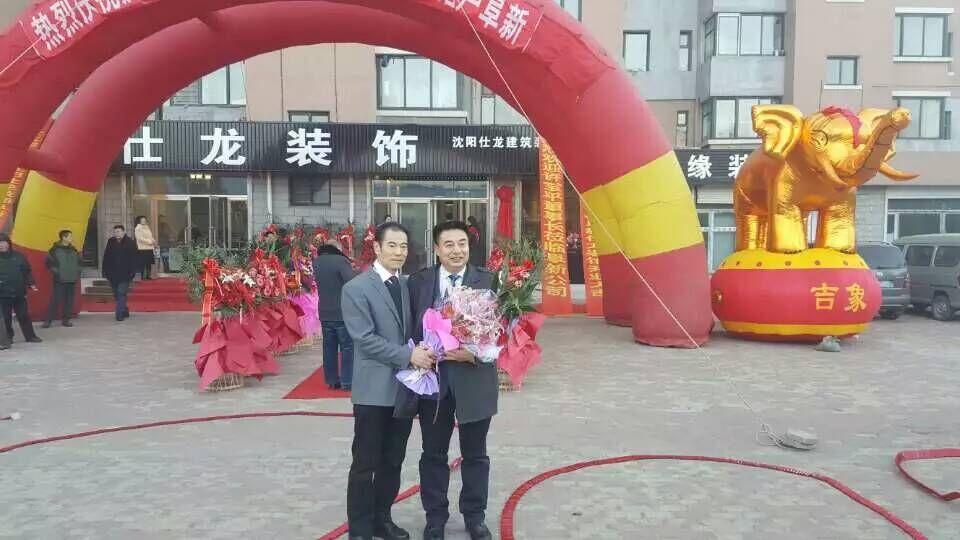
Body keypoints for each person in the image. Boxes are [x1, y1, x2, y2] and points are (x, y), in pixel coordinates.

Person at [341, 222, 436, 540]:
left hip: (403, 390)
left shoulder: (407, 285)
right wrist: (409, 356)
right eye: (392, 245)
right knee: (365, 463)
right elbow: (364, 339)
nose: (399, 252)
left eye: (404, 246)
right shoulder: (356, 288)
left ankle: (382, 518)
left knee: (393, 460)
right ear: (377, 248)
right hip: (373, 391)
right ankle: (359, 529)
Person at [403, 221, 497, 540]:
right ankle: (435, 518)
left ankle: (474, 516)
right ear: (437, 249)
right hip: (433, 383)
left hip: (474, 381)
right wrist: (416, 352)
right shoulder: (419, 282)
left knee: (476, 454)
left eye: (462, 244)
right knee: (433, 454)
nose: (457, 250)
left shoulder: (489, 280)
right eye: (449, 245)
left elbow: (506, 330)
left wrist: (476, 354)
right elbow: (409, 327)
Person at [313, 239, 358, 390]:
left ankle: (331, 380)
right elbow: (351, 283)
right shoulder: (340, 261)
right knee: (347, 347)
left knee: (329, 348)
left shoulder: (317, 262)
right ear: (337, 248)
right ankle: (347, 381)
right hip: (342, 312)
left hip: (324, 311)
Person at [0, 233, 42, 349]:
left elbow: (27, 271)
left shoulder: (19, 256)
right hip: (3, 294)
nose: (1, 245)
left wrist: (31, 283)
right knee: (6, 318)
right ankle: (8, 337)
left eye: (3, 242)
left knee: (24, 315)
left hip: (19, 292)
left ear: (8, 243)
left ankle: (30, 336)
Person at [42, 229, 81, 328]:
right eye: (70, 236)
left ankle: (66, 320)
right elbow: (49, 263)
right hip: (60, 280)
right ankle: (48, 321)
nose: (71, 238)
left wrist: (77, 272)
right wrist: (57, 272)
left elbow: (79, 262)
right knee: (55, 301)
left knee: (69, 301)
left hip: (72, 279)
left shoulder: (74, 249)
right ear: (63, 237)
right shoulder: (54, 250)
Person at [102, 225, 138, 322]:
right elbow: (106, 256)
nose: (116, 233)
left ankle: (119, 314)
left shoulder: (130, 242)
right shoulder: (111, 241)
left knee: (121, 292)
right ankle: (124, 309)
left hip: (125, 274)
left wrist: (133, 272)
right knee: (116, 294)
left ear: (123, 232)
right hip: (112, 273)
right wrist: (105, 271)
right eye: (115, 232)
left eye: (118, 231)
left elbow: (134, 258)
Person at [134, 215, 158, 280]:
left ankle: (148, 275)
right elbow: (139, 238)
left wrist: (154, 241)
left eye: (144, 220)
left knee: (149, 262)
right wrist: (149, 241)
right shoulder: (138, 228)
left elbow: (150, 236)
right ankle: (142, 276)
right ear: (139, 221)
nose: (144, 221)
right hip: (142, 248)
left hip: (149, 248)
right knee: (143, 263)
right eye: (142, 220)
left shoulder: (147, 227)